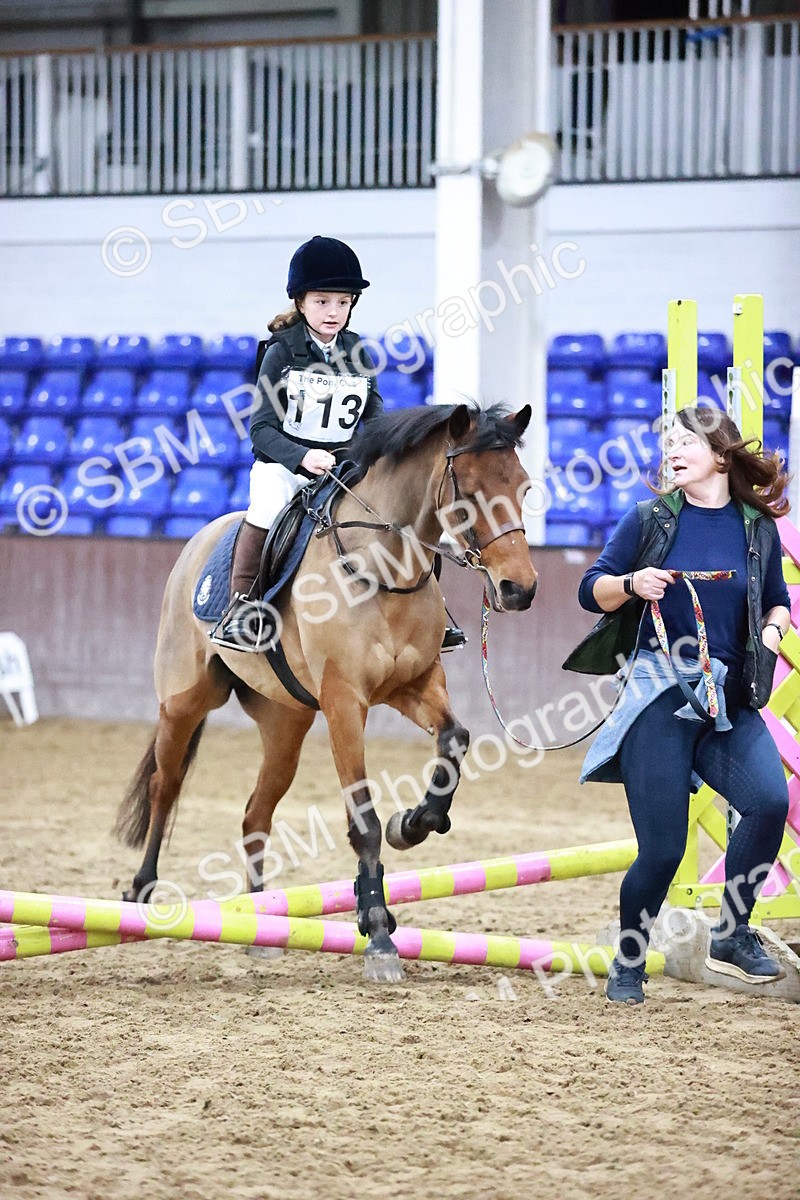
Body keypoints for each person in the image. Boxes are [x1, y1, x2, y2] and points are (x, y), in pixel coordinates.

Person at [565, 405, 791, 1005]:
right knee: (663, 850)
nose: (673, 448)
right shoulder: (649, 520)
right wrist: (633, 583)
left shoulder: (755, 527)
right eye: (669, 440)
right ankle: (630, 959)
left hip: (729, 697)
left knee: (770, 802)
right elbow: (591, 589)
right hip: (659, 696)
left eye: (686, 439)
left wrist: (774, 632)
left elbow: (776, 601)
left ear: (720, 455)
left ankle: (732, 932)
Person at [211, 235, 466, 652]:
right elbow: (260, 429)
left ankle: (434, 612)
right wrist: (302, 456)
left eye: (343, 302)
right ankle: (244, 607)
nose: (334, 312)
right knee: (267, 506)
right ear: (300, 303)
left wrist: (378, 456)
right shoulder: (281, 354)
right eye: (322, 301)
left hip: (344, 466)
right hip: (285, 465)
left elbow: (374, 419)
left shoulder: (357, 351)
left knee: (403, 510)